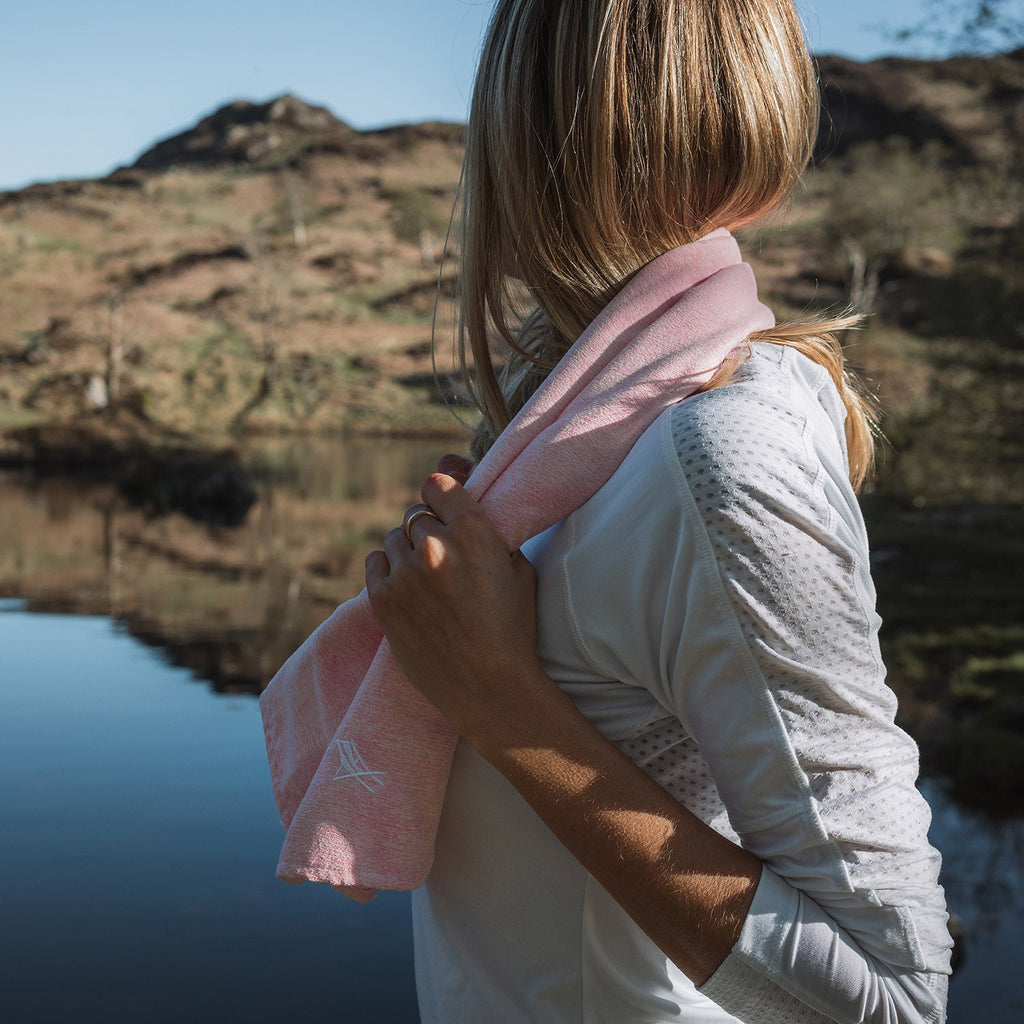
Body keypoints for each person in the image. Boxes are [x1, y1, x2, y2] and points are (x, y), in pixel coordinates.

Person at [360, 1, 953, 1021]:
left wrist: (503, 703)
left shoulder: (721, 454)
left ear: (518, 116)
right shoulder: (573, 427)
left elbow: (891, 997)